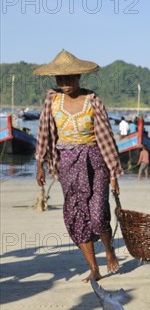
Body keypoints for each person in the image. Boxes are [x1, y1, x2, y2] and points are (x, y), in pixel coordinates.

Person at [34, 49, 123, 282]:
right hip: (67, 164)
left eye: (70, 78)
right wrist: (39, 165)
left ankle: (109, 249)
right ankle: (94, 267)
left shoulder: (92, 100)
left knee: (97, 216)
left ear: (79, 77)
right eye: (60, 79)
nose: (65, 83)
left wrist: (113, 173)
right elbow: (44, 132)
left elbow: (106, 136)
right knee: (76, 215)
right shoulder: (52, 100)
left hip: (95, 161)